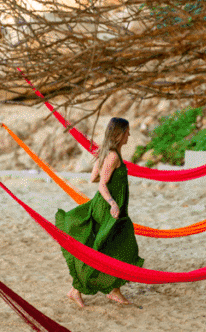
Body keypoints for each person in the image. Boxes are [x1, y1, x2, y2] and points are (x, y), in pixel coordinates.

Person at [55, 117, 144, 308]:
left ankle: (107, 290)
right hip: (108, 209)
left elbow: (93, 177)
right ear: (119, 134)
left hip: (111, 208)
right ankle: (86, 289)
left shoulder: (109, 154)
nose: (129, 135)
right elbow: (101, 184)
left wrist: (103, 169)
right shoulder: (112, 156)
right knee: (114, 248)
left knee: (109, 248)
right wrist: (112, 203)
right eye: (127, 132)